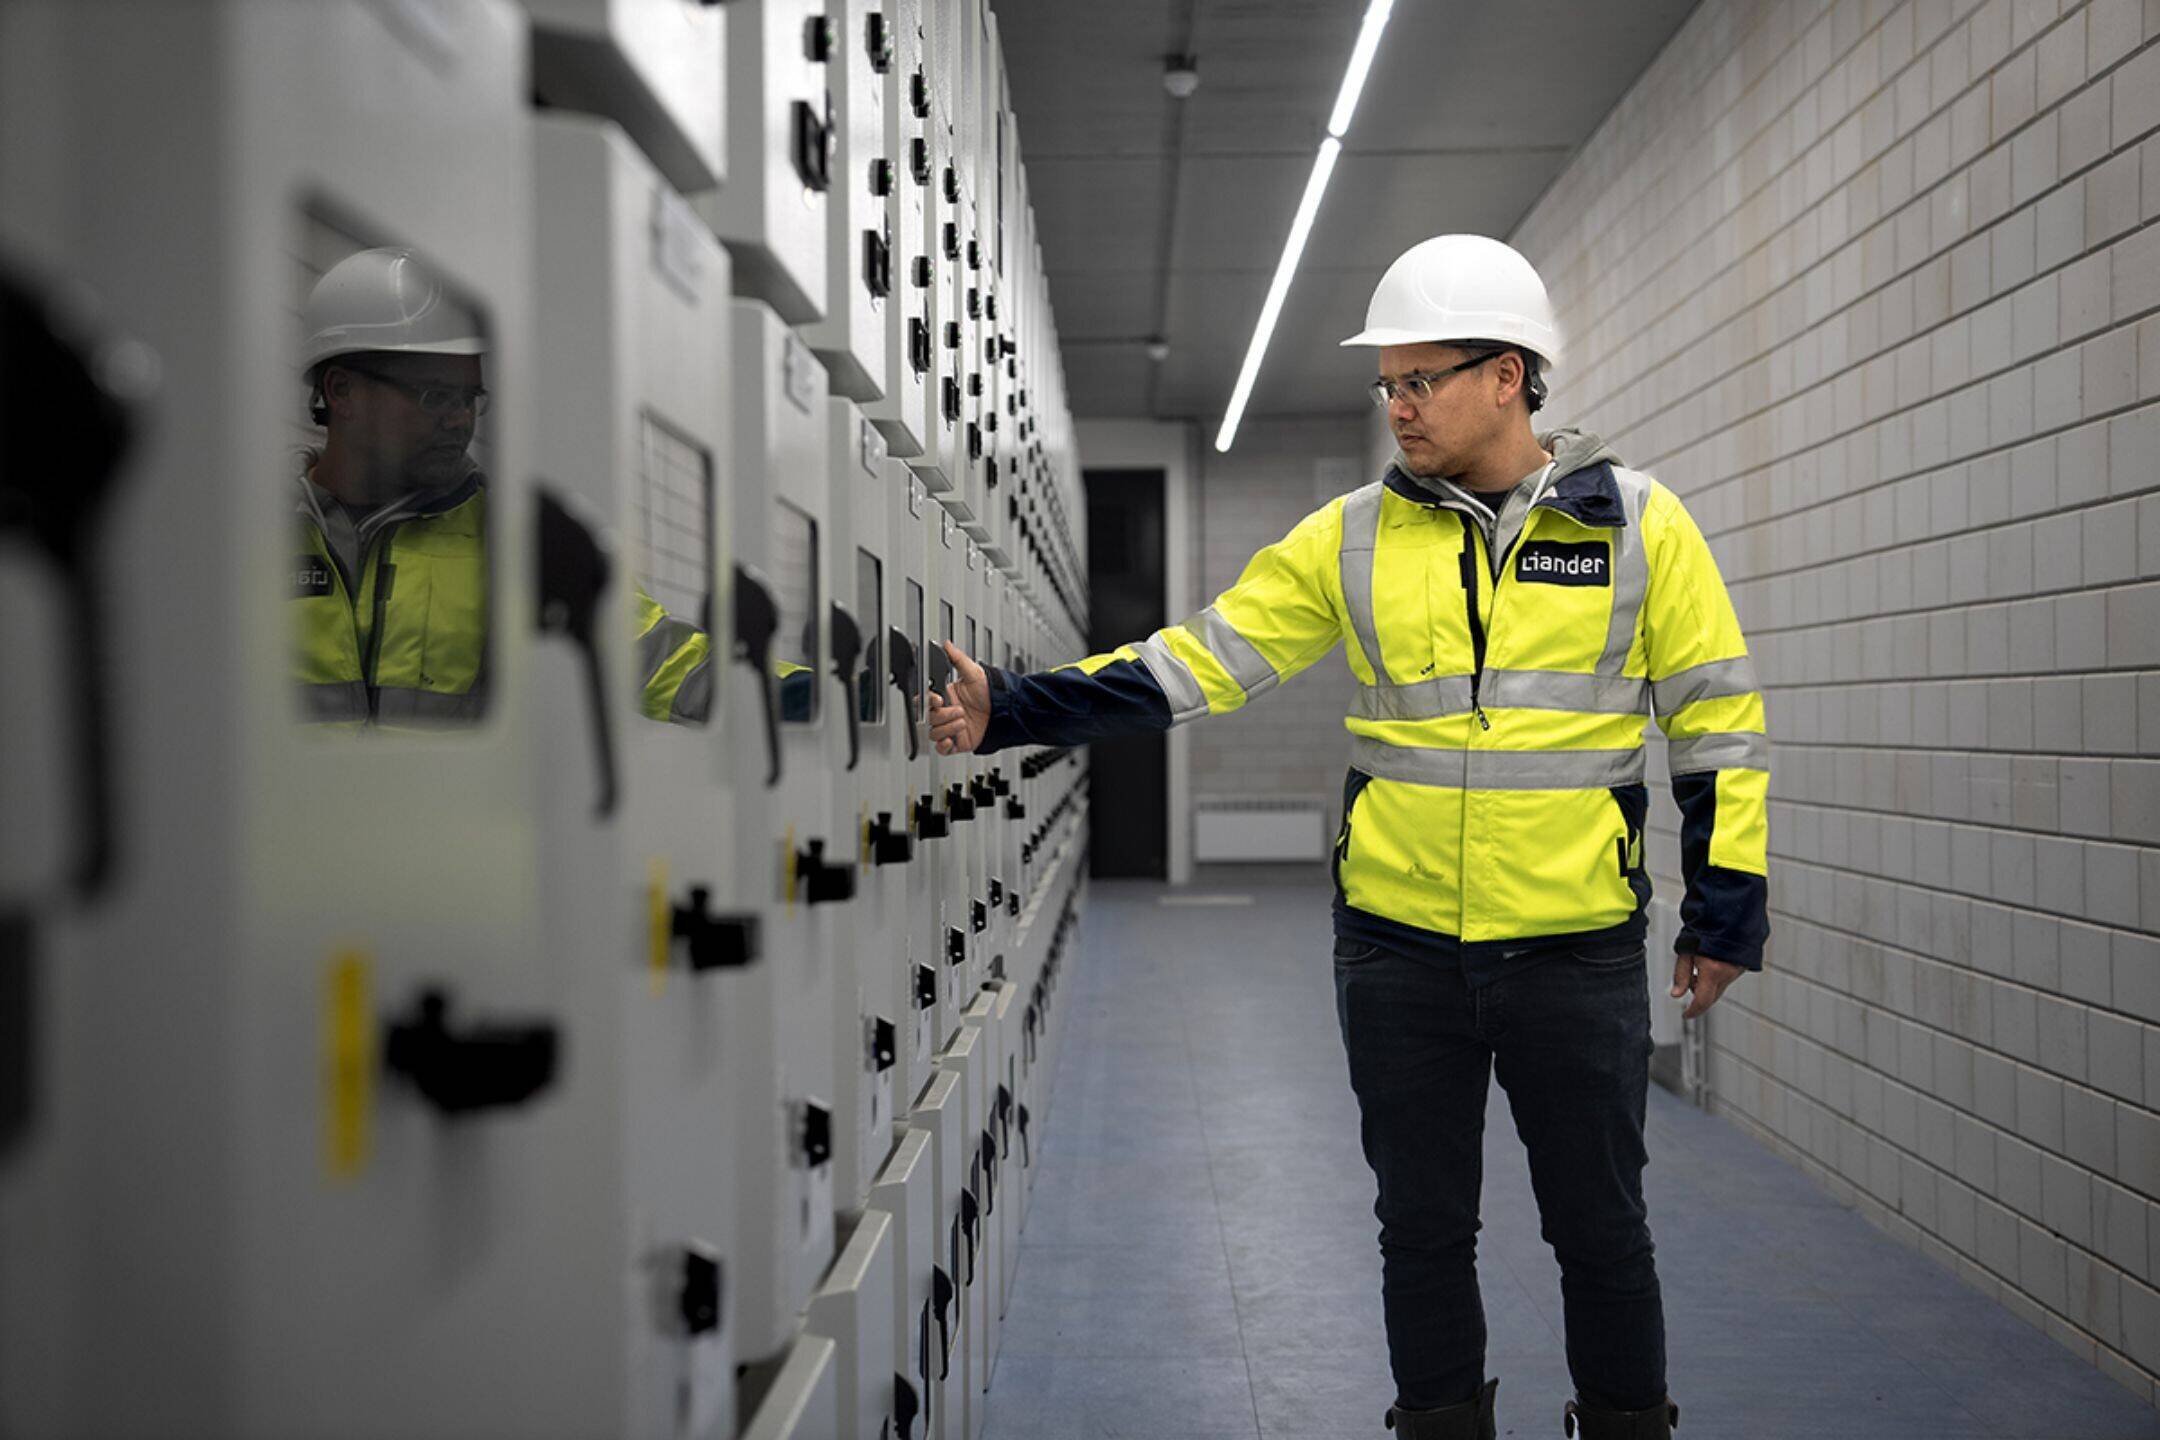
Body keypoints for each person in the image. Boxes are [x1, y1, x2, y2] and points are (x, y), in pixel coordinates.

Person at [923, 234, 1769, 1440]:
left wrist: (1726, 910)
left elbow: (1717, 726)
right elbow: (1198, 663)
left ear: (1511, 377)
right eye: (1388, 384)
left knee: (1600, 1228)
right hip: (1399, 949)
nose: (1398, 407)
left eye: (1421, 380)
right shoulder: (1354, 535)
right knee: (1421, 1230)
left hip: (1575, 949)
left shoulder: (1639, 525)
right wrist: (1014, 706)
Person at [295, 246, 709, 727]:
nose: (461, 419)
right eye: (436, 396)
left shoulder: (516, 536)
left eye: (470, 397)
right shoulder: (249, 535)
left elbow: (658, 658)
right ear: (341, 391)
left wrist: (801, 692)